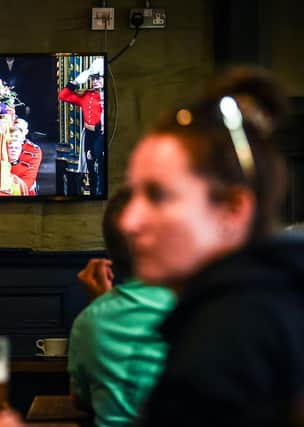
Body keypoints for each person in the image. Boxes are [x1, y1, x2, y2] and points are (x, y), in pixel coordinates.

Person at [118, 67, 304, 427]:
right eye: (133, 194)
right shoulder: (274, 303)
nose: (129, 220)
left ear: (234, 208)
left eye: (158, 196)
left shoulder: (222, 348)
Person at [68, 188, 175, 427]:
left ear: (111, 250)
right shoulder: (204, 309)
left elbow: (81, 400)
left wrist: (100, 305)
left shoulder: (90, 321)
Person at [58, 58, 105, 197]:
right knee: (91, 167)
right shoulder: (87, 96)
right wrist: (76, 82)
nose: (95, 81)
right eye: (93, 78)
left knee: (101, 165)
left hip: (101, 136)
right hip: (89, 135)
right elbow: (63, 96)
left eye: (99, 78)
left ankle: (101, 192)